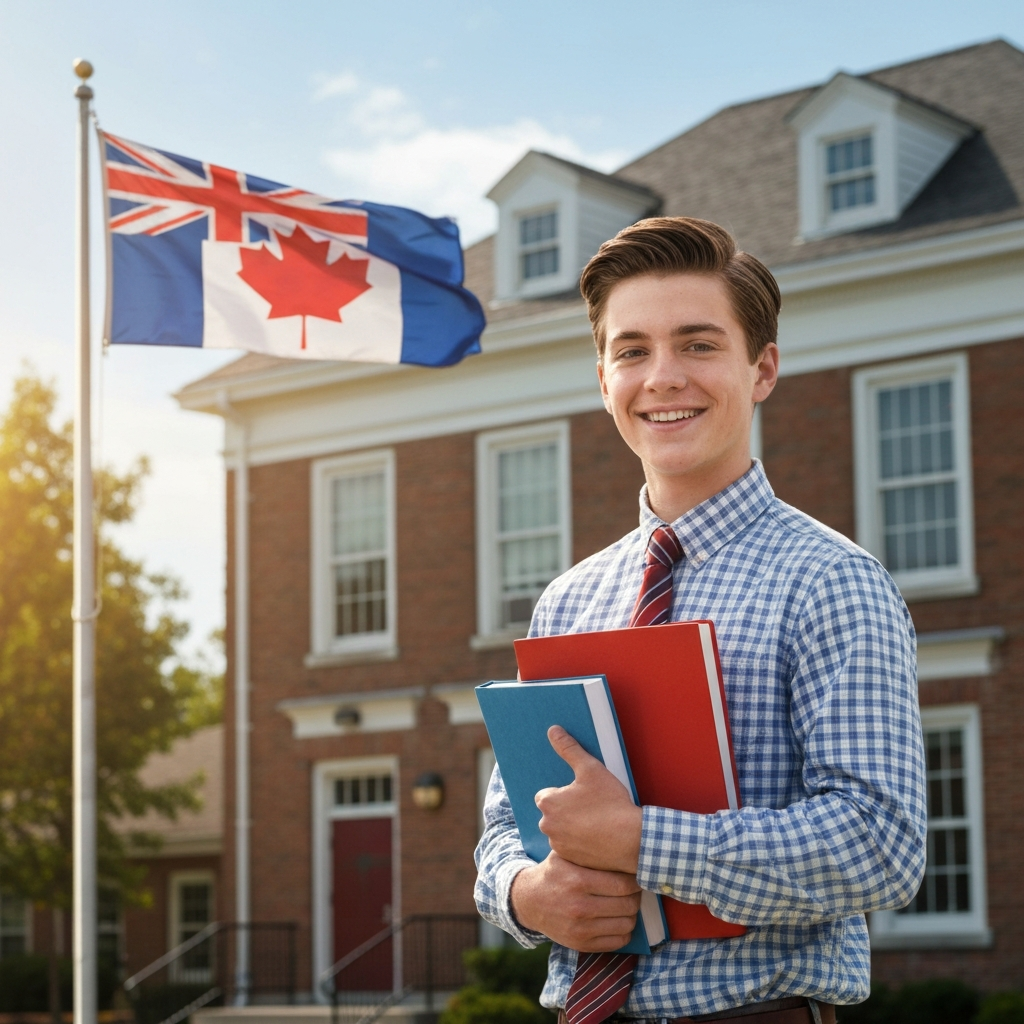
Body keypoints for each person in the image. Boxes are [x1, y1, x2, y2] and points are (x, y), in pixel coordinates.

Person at [474, 217, 927, 1024]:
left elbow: (878, 848)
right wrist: (526, 892)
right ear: (603, 378)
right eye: (633, 350)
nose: (663, 377)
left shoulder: (833, 582)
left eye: (699, 344)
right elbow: (506, 827)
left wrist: (644, 842)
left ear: (762, 369)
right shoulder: (566, 601)